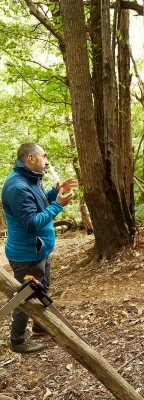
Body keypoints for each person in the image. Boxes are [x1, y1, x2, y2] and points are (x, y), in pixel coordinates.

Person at [2, 143, 77, 353]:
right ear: (31, 159)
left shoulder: (31, 179)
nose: (46, 161)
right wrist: (59, 204)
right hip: (27, 255)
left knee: (42, 288)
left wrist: (55, 192)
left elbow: (40, 204)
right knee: (24, 297)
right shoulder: (17, 187)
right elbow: (31, 223)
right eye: (43, 157)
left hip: (39, 251)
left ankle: (39, 326)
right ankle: (17, 340)